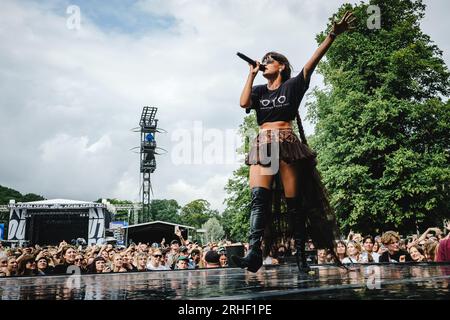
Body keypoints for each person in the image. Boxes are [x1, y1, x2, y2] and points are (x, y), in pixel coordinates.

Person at [232, 11, 356, 273]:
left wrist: (332, 35)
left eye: (269, 61)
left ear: (282, 66)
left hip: (287, 143)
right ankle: (254, 252)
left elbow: (313, 62)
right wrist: (252, 74)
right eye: (263, 60)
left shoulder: (293, 86)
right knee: (258, 199)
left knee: (294, 204)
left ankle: (301, 258)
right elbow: (243, 103)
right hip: (263, 144)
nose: (265, 62)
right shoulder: (259, 90)